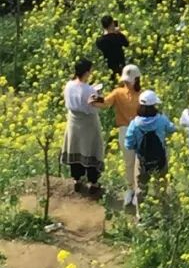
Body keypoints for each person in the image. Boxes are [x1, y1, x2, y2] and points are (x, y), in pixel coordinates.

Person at [60, 59, 105, 194]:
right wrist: (99, 96)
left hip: (73, 122)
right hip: (88, 123)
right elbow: (95, 106)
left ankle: (77, 180)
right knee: (91, 150)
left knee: (75, 148)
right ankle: (93, 183)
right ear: (86, 72)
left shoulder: (68, 85)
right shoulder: (89, 90)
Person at [124, 91, 177, 206]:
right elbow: (173, 128)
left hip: (142, 160)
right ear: (154, 106)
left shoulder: (135, 123)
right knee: (161, 185)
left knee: (141, 187)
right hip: (160, 158)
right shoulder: (161, 120)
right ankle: (162, 207)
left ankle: (141, 212)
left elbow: (128, 144)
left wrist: (137, 146)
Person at [103, 64, 142, 207]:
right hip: (125, 130)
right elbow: (105, 103)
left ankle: (138, 191)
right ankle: (130, 189)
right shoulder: (118, 93)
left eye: (129, 81)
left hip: (141, 130)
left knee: (140, 163)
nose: (126, 83)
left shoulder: (143, 94)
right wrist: (95, 98)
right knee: (129, 162)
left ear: (137, 80)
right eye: (125, 81)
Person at [95, 16, 130, 82]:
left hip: (108, 69)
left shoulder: (100, 40)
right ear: (112, 24)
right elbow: (126, 43)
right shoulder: (117, 37)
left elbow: (99, 45)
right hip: (120, 66)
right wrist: (119, 33)